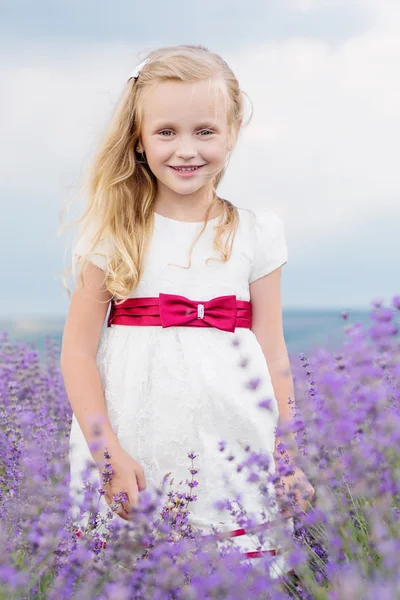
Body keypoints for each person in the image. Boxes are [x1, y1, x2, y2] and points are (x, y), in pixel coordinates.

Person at [61, 44, 314, 579]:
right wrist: (109, 455)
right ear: (138, 138)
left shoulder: (256, 232)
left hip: (235, 440)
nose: (186, 149)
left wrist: (286, 456)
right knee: (135, 580)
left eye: (204, 131)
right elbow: (77, 354)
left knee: (238, 579)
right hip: (134, 444)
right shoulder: (115, 232)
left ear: (231, 132)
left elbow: (272, 347)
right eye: (166, 131)